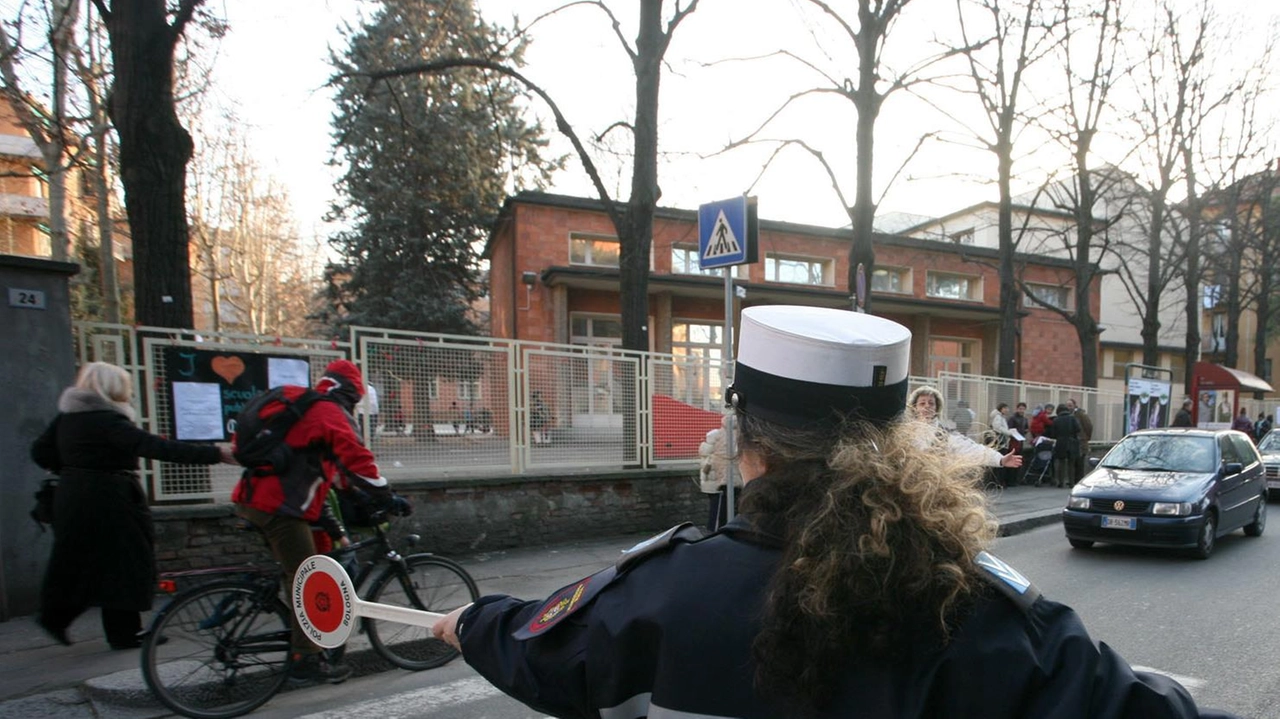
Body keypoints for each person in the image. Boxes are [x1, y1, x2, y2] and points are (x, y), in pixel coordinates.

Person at [429, 305, 1232, 718]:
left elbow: (543, 647)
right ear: (898, 440)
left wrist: (467, 622)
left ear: (750, 440)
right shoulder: (977, 609)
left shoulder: (661, 594)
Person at [30, 362, 236, 649]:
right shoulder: (107, 420)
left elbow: (40, 452)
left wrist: (73, 470)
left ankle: (56, 617)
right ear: (113, 387)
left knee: (77, 562)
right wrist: (216, 453)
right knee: (125, 564)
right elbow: (155, 447)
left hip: (72, 498)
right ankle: (124, 633)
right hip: (112, 499)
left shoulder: (67, 419)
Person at [231, 359, 411, 685]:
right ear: (351, 394)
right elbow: (357, 459)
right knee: (305, 580)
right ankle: (305, 660)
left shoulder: (305, 409)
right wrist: (385, 496)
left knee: (304, 569)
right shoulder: (329, 412)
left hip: (254, 500)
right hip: (279, 509)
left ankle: (312, 643)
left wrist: (358, 499)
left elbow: (335, 474)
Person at [906, 386, 1022, 471]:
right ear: (914, 407)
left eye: (931, 403)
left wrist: (999, 459)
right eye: (922, 403)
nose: (927, 406)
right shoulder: (905, 432)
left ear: (937, 407)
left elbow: (972, 449)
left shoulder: (944, 434)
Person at [698, 423, 741, 531]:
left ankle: (714, 536)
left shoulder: (714, 434)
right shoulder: (740, 436)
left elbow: (704, 453)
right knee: (729, 513)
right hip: (729, 481)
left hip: (713, 479)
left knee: (716, 512)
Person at [1045, 403, 1082, 488]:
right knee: (1071, 463)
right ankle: (1071, 483)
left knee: (1061, 462)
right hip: (1072, 441)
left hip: (1061, 442)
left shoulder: (1056, 420)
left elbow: (1053, 434)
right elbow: (1078, 429)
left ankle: (1061, 482)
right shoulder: (1072, 418)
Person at [1069, 398, 1093, 482]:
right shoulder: (1069, 415)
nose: (1069, 407)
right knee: (1074, 462)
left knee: (1080, 462)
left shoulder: (1081, 414)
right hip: (1073, 441)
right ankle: (1074, 479)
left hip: (1081, 441)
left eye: (1070, 405)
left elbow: (1088, 426)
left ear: (1075, 405)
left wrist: (1086, 437)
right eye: (1067, 406)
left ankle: (1079, 479)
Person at [1008, 402, 1030, 484]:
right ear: (1017, 409)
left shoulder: (1025, 419)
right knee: (1012, 458)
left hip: (1020, 441)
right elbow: (1010, 429)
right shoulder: (1012, 418)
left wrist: (1025, 431)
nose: (1021, 410)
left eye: (1023, 409)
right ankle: (1010, 480)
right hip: (1013, 441)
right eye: (1020, 409)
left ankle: (1015, 479)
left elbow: (1026, 428)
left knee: (1018, 459)